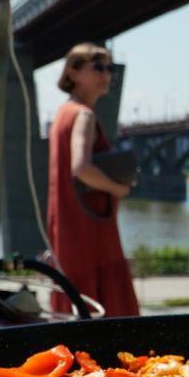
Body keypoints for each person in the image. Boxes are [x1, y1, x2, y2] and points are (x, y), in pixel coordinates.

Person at [47, 43, 139, 317]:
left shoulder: (63, 113)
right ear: (73, 72)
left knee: (74, 290)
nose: (106, 74)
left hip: (67, 221)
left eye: (109, 67)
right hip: (90, 225)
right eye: (97, 67)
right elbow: (81, 168)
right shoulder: (84, 115)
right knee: (106, 301)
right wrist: (118, 189)